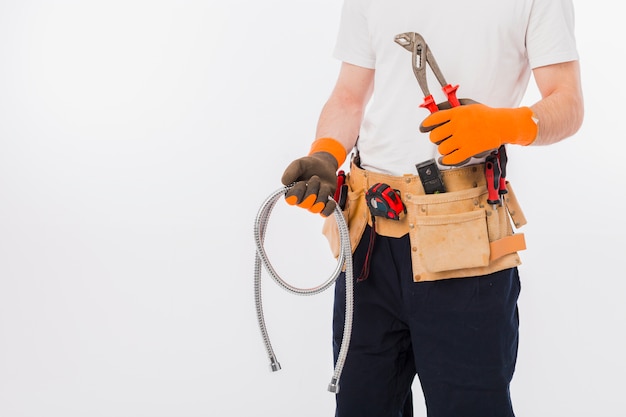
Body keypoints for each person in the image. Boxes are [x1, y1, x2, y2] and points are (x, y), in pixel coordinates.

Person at [280, 1, 584, 416]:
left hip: (466, 246)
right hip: (368, 244)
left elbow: (567, 104)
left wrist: (503, 124)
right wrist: (326, 155)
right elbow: (349, 98)